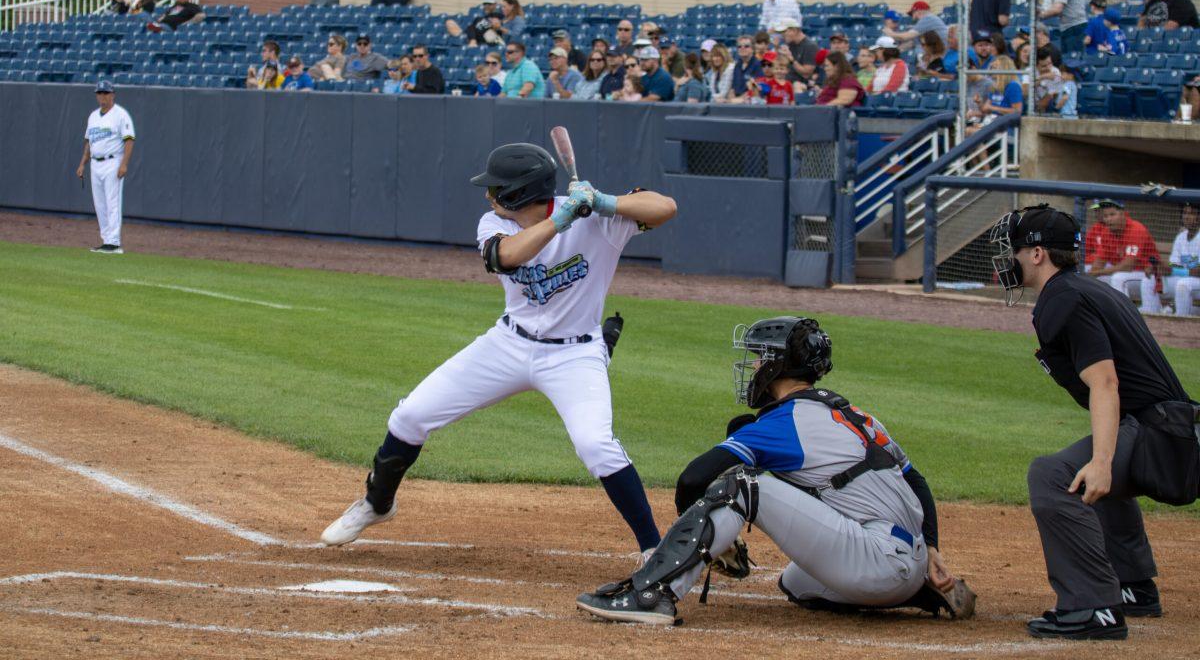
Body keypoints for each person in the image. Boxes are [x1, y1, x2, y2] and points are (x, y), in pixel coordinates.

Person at [320, 144, 677, 559]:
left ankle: (655, 549)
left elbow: (664, 207)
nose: (489, 196)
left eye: (496, 189)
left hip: (574, 355)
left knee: (596, 446)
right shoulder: (495, 223)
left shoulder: (598, 219)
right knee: (410, 416)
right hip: (508, 344)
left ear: (517, 194)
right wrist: (561, 221)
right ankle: (376, 504)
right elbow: (506, 256)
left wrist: (604, 202)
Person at [576, 316, 977, 627]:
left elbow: (693, 478)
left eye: (758, 357)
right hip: (910, 561)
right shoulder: (858, 416)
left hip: (876, 562)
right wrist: (933, 549)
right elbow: (917, 483)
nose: (752, 366)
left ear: (777, 365)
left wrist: (707, 534)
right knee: (796, 582)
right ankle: (920, 593)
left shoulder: (787, 422)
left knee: (743, 485)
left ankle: (652, 594)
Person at [987, 204, 1197, 640]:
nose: (1012, 259)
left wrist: (1103, 460)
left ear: (1039, 253)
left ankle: (1093, 607)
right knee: (1090, 468)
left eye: (1017, 250)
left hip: (1164, 437)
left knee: (1052, 474)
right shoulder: (1084, 289)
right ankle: (1133, 586)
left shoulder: (1062, 298)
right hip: (1173, 432)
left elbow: (1105, 382)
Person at [75, 80, 134, 255]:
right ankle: (106, 240)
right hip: (95, 163)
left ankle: (114, 242)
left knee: (112, 201)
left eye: (106, 93)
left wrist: (124, 164)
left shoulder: (120, 114)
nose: (102, 96)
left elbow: (129, 139)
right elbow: (89, 142)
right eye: (100, 93)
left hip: (113, 161)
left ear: (113, 94)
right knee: (100, 203)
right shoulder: (93, 116)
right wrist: (82, 164)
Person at [1086, 200, 1160, 300]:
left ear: (1123, 214)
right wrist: (1092, 274)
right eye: (1106, 216)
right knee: (1091, 279)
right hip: (1128, 275)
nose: (1109, 219)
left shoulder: (1136, 230)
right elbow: (1099, 262)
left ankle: (1123, 313)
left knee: (1119, 278)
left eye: (1112, 214)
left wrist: (1097, 272)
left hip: (1148, 275)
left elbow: (1127, 266)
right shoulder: (1106, 232)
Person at [1140, 203, 1200, 317]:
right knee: (1149, 280)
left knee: (1183, 284)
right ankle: (1151, 318)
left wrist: (1173, 270)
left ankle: (1181, 322)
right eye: (1185, 213)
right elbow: (1174, 264)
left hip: (1195, 282)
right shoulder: (1181, 237)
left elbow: (1198, 271)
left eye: (1191, 213)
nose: (1186, 216)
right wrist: (1161, 267)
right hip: (1184, 279)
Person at [774, 18, 819, 88]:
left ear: (794, 30)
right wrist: (777, 48)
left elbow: (807, 73)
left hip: (800, 85)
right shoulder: (790, 44)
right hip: (785, 83)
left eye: (784, 32)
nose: (782, 35)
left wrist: (792, 60)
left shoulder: (810, 46)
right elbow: (781, 66)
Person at [731, 35, 763, 99]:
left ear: (753, 49)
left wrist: (739, 99)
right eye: (739, 46)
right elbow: (733, 88)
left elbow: (757, 89)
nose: (742, 48)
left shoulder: (758, 65)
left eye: (746, 46)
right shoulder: (737, 65)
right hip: (736, 101)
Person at [1033, 46, 1064, 113]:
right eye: (1044, 66)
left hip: (1049, 108)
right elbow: (1026, 90)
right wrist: (1042, 77)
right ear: (1035, 66)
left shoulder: (1056, 72)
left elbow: (1049, 98)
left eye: (1050, 63)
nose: (1048, 68)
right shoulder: (1030, 71)